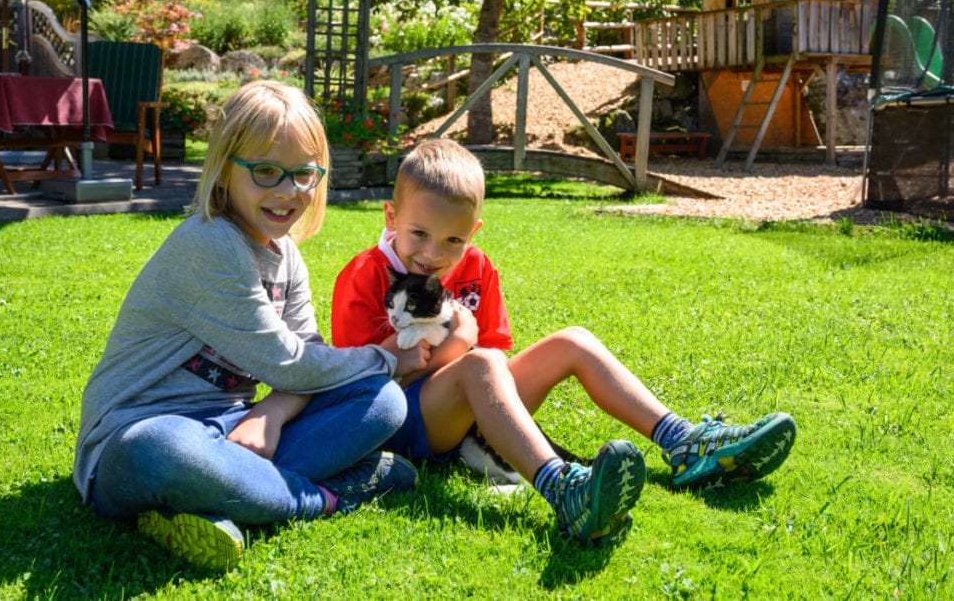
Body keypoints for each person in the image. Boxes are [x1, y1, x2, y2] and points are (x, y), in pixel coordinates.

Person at [330, 138, 797, 546]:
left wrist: (473, 360)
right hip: (406, 423)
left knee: (572, 340)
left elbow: (497, 355)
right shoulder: (366, 274)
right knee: (480, 363)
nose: (433, 254)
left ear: (473, 232)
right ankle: (563, 489)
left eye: (453, 239)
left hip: (470, 411)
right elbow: (358, 382)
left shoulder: (478, 266)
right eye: (419, 234)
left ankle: (685, 444)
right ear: (392, 217)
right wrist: (455, 347)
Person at [73, 81, 422, 571]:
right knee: (160, 450)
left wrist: (273, 412)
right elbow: (291, 363)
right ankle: (322, 497)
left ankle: (211, 503)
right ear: (224, 169)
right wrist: (384, 357)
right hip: (136, 436)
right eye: (265, 172)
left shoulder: (287, 256)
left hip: (235, 431)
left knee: (382, 401)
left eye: (303, 174)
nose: (287, 192)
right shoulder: (210, 242)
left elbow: (305, 359)